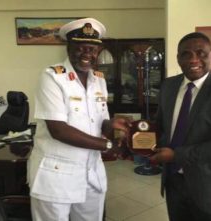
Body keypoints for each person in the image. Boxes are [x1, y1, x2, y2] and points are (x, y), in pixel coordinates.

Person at [27, 18, 131, 221]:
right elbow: (59, 130)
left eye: (92, 49)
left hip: (91, 171)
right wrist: (108, 144)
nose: (87, 54)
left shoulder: (99, 80)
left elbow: (99, 122)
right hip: (57, 174)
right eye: (80, 48)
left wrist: (113, 126)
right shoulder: (52, 77)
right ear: (69, 47)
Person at [150, 32, 211, 221]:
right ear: (178, 59)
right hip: (174, 182)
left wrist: (176, 155)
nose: (193, 59)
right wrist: (136, 137)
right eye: (186, 54)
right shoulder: (168, 86)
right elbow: (161, 127)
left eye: (201, 53)